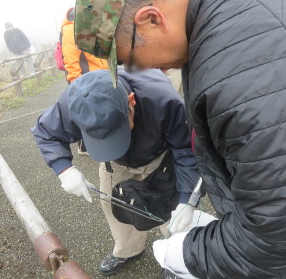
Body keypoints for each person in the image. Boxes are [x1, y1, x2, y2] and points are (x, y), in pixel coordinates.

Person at [73, 0, 286, 278]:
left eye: (132, 60)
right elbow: (251, 141)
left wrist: (188, 254)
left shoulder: (249, 70)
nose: (141, 71)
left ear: (151, 19)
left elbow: (273, 236)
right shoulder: (222, 9)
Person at [31, 69, 200, 275]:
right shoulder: (73, 103)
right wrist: (64, 169)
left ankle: (175, 257)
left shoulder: (164, 101)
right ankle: (128, 250)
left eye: (118, 130)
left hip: (157, 158)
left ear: (131, 102)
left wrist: (186, 200)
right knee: (113, 204)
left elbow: (186, 149)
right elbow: (46, 132)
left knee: (168, 210)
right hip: (114, 162)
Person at [60, 7, 108, 154]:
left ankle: (95, 143)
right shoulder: (71, 30)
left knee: (97, 112)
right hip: (85, 80)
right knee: (86, 114)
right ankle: (84, 146)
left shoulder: (91, 27)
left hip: (99, 77)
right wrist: (77, 84)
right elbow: (70, 60)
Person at [60, 7, 108, 83]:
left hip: (103, 80)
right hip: (88, 83)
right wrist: (78, 87)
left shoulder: (93, 25)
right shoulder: (72, 29)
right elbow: (71, 62)